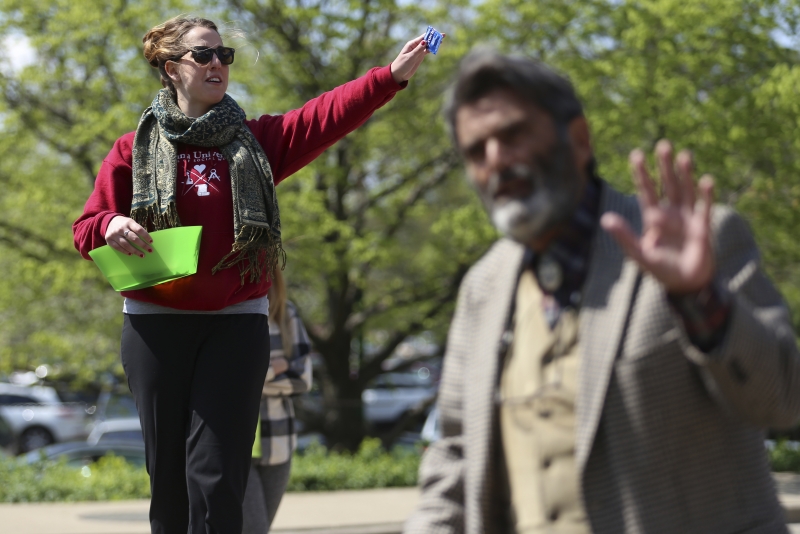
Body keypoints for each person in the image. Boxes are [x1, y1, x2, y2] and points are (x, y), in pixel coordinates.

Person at [404, 49, 800, 534]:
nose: (496, 160)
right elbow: (457, 456)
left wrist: (702, 301)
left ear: (578, 138)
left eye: (513, 134)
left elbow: (781, 399)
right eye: (476, 150)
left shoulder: (699, 244)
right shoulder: (481, 289)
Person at [72, 15, 434, 534]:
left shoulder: (255, 142)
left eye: (225, 55)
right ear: (171, 68)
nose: (218, 63)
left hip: (236, 325)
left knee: (219, 479)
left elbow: (323, 116)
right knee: (170, 485)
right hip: (155, 327)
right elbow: (84, 230)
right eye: (204, 55)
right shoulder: (132, 149)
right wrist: (110, 225)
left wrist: (389, 77)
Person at [242, 267, 312, 534]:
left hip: (278, 444)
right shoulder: (233, 313)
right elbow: (230, 378)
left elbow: (303, 379)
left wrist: (256, 375)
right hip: (237, 446)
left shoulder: (286, 314)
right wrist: (276, 367)